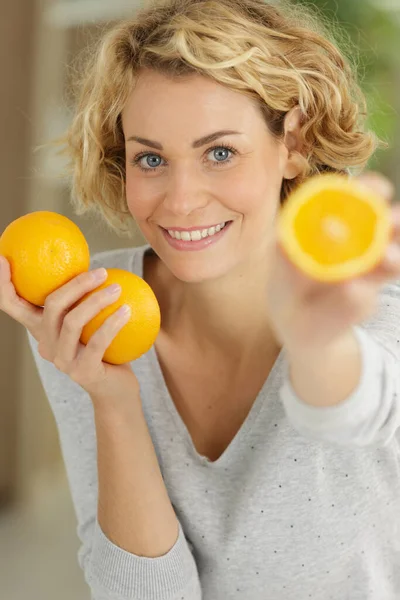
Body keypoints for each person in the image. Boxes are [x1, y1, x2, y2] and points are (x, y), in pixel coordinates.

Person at [0, 0, 399, 598]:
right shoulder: (89, 313)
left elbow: (359, 409)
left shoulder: (363, 309)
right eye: (151, 158)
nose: (180, 201)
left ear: (293, 143)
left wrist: (318, 341)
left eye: (219, 152)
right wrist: (112, 399)